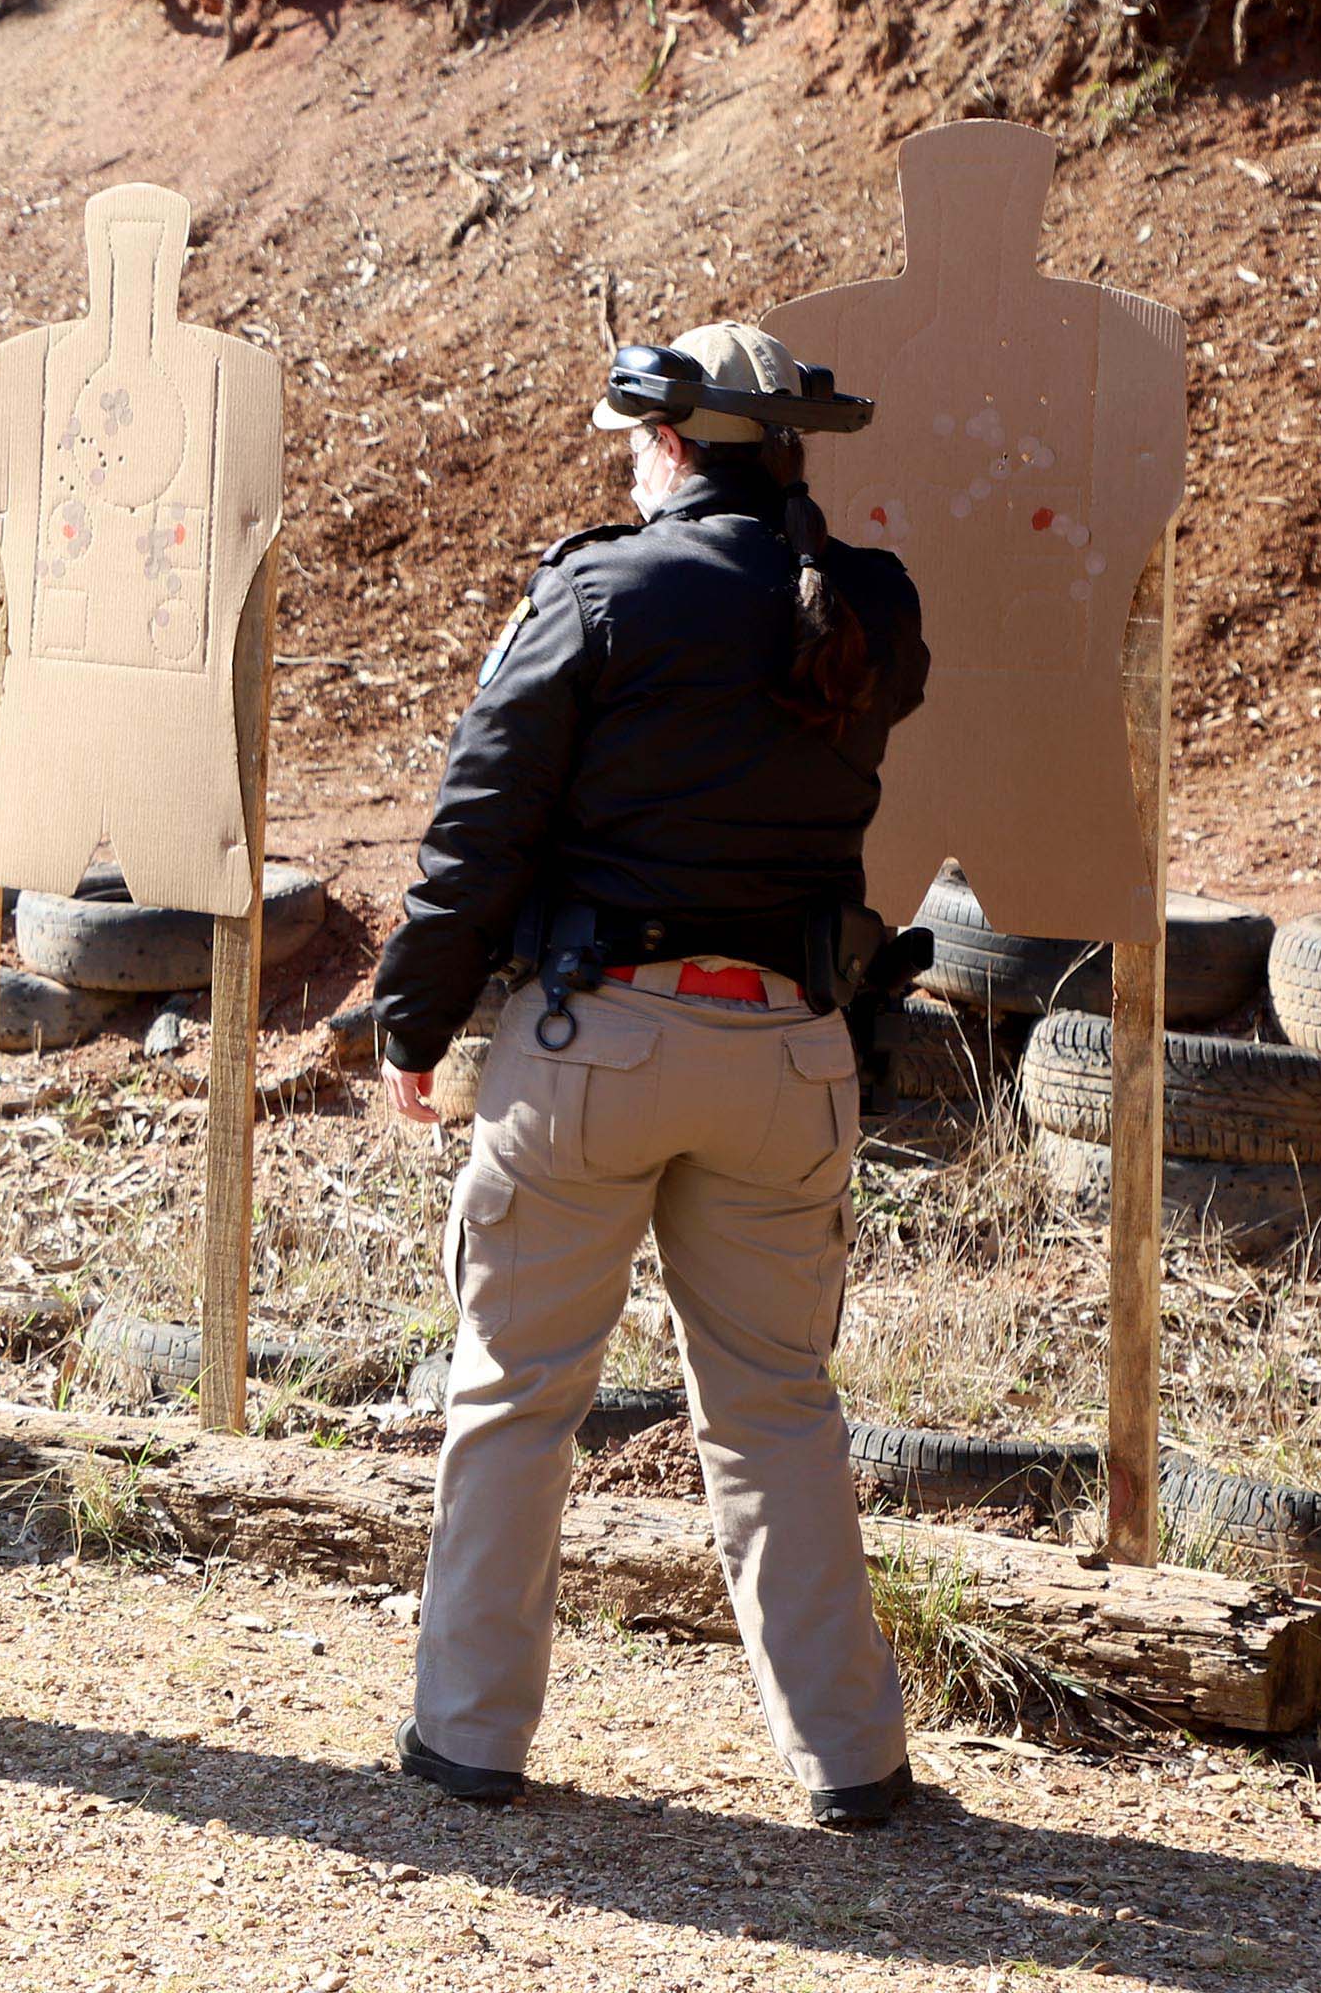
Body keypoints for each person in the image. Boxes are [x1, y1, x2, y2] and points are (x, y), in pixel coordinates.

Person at [371, 322, 934, 1827]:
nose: (629, 463)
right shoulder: (872, 604)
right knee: (779, 1409)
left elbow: (477, 832)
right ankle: (853, 1762)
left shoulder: (597, 592)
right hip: (791, 1054)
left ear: (672, 446)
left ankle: (469, 1741)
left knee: (514, 1398)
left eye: (637, 441)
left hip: (596, 1045)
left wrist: (412, 1023)